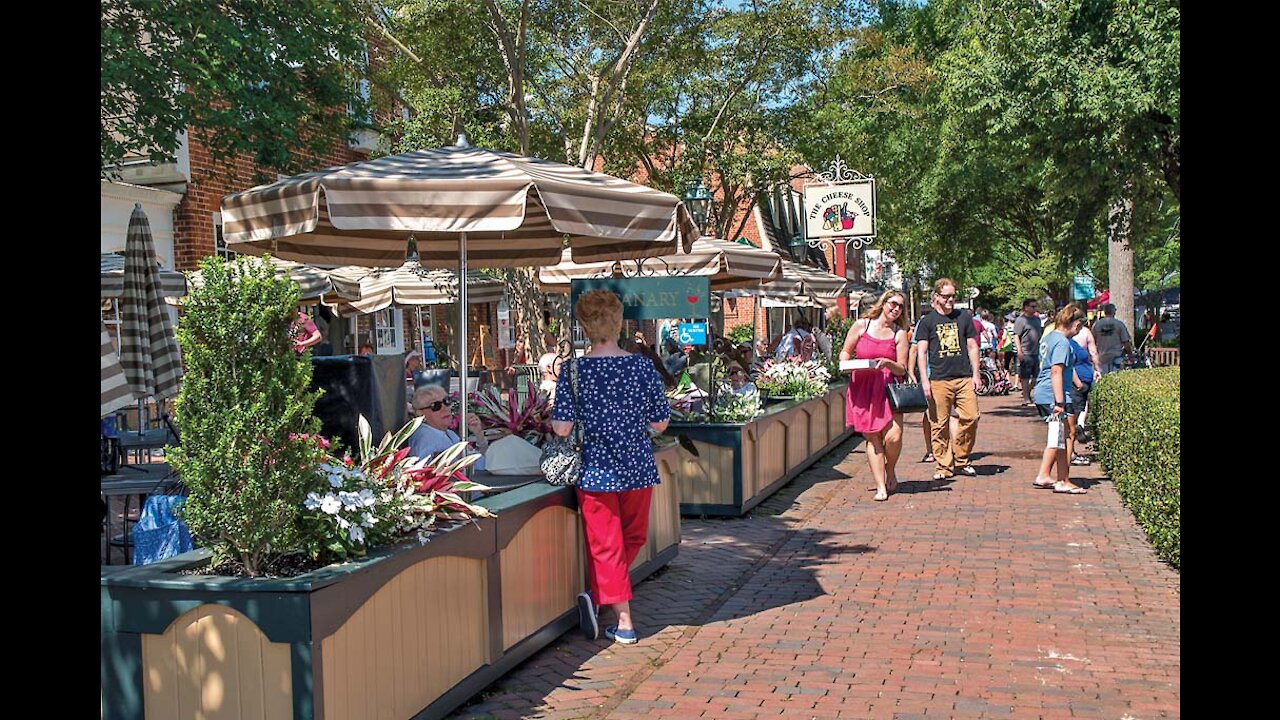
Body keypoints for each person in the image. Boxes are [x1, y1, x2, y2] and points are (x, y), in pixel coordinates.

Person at [551, 290, 670, 645]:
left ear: (584, 326)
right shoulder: (642, 367)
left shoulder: (573, 371)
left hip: (595, 470)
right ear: (618, 323)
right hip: (637, 466)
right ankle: (622, 617)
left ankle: (606, 605)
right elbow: (661, 422)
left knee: (607, 546)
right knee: (632, 538)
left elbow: (562, 428)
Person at [840, 290, 910, 501]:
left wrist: (887, 363)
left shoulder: (899, 333)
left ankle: (890, 470)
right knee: (872, 437)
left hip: (887, 389)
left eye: (900, 307)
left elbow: (902, 369)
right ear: (883, 303)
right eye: (893, 304)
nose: (895, 309)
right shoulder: (863, 325)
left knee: (894, 437)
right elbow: (846, 350)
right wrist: (844, 364)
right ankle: (881, 486)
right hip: (863, 387)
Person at [916, 278, 983, 481]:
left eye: (953, 296)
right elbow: (921, 353)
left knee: (971, 417)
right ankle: (944, 466)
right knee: (939, 424)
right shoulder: (927, 322)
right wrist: (924, 380)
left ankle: (961, 458)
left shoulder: (963, 317)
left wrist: (976, 374)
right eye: (946, 296)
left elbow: (972, 346)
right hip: (938, 379)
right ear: (936, 296)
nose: (950, 300)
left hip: (963, 377)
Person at [1032, 305, 1088, 494]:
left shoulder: (1048, 337)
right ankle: (1061, 479)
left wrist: (1077, 383)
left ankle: (1047, 474)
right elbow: (1056, 370)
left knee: (1062, 434)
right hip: (1052, 394)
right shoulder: (1063, 343)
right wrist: (1059, 402)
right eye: (1079, 328)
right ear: (1076, 324)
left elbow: (1063, 368)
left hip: (1045, 391)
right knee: (1062, 436)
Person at [405, 385, 488, 470]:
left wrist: (478, 434)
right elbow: (425, 473)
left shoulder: (449, 433)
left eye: (447, 401)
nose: (445, 408)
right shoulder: (424, 437)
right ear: (421, 414)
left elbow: (483, 463)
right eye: (436, 405)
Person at [1013, 298, 1043, 405]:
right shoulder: (1020, 320)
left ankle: (1026, 392)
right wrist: (1019, 351)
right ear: (1026, 308)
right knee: (1025, 376)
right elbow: (1016, 335)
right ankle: (1026, 398)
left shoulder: (1037, 319)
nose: (1035, 308)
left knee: (1036, 377)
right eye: (1032, 306)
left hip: (1036, 352)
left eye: (1035, 306)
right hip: (1025, 352)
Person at [1092, 303, 1133, 376]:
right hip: (1116, 357)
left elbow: (1092, 341)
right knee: (1115, 380)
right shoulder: (1119, 324)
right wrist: (1130, 354)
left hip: (1101, 357)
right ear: (1114, 311)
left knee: (1103, 380)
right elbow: (1125, 341)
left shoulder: (1097, 325)